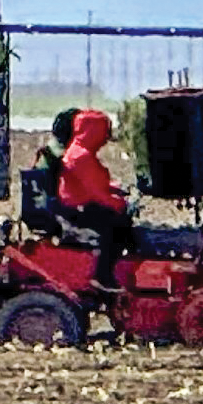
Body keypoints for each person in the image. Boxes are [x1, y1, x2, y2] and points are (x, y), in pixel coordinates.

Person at [55, 105, 135, 288]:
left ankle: (122, 268)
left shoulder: (81, 152)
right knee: (117, 228)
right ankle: (103, 275)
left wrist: (116, 189)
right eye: (103, 133)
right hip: (79, 209)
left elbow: (95, 184)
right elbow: (95, 192)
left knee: (121, 222)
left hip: (82, 204)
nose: (105, 140)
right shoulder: (80, 157)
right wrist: (117, 203)